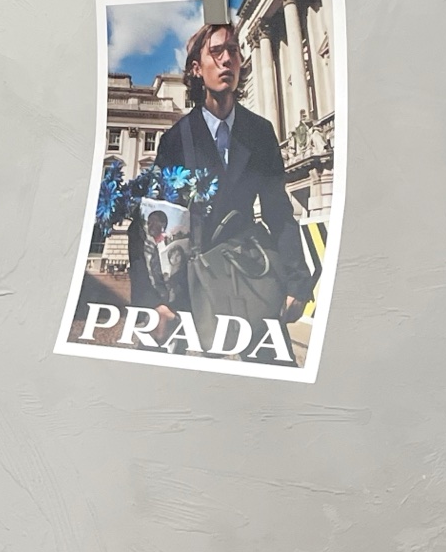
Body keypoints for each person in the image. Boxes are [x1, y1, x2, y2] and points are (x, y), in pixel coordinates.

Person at [129, 23, 311, 341]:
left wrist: (297, 282)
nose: (227, 59)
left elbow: (278, 211)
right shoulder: (176, 139)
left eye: (233, 51)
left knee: (271, 368)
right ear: (196, 69)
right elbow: (147, 223)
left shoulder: (260, 132)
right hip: (191, 287)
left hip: (251, 275)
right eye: (216, 51)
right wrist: (151, 302)